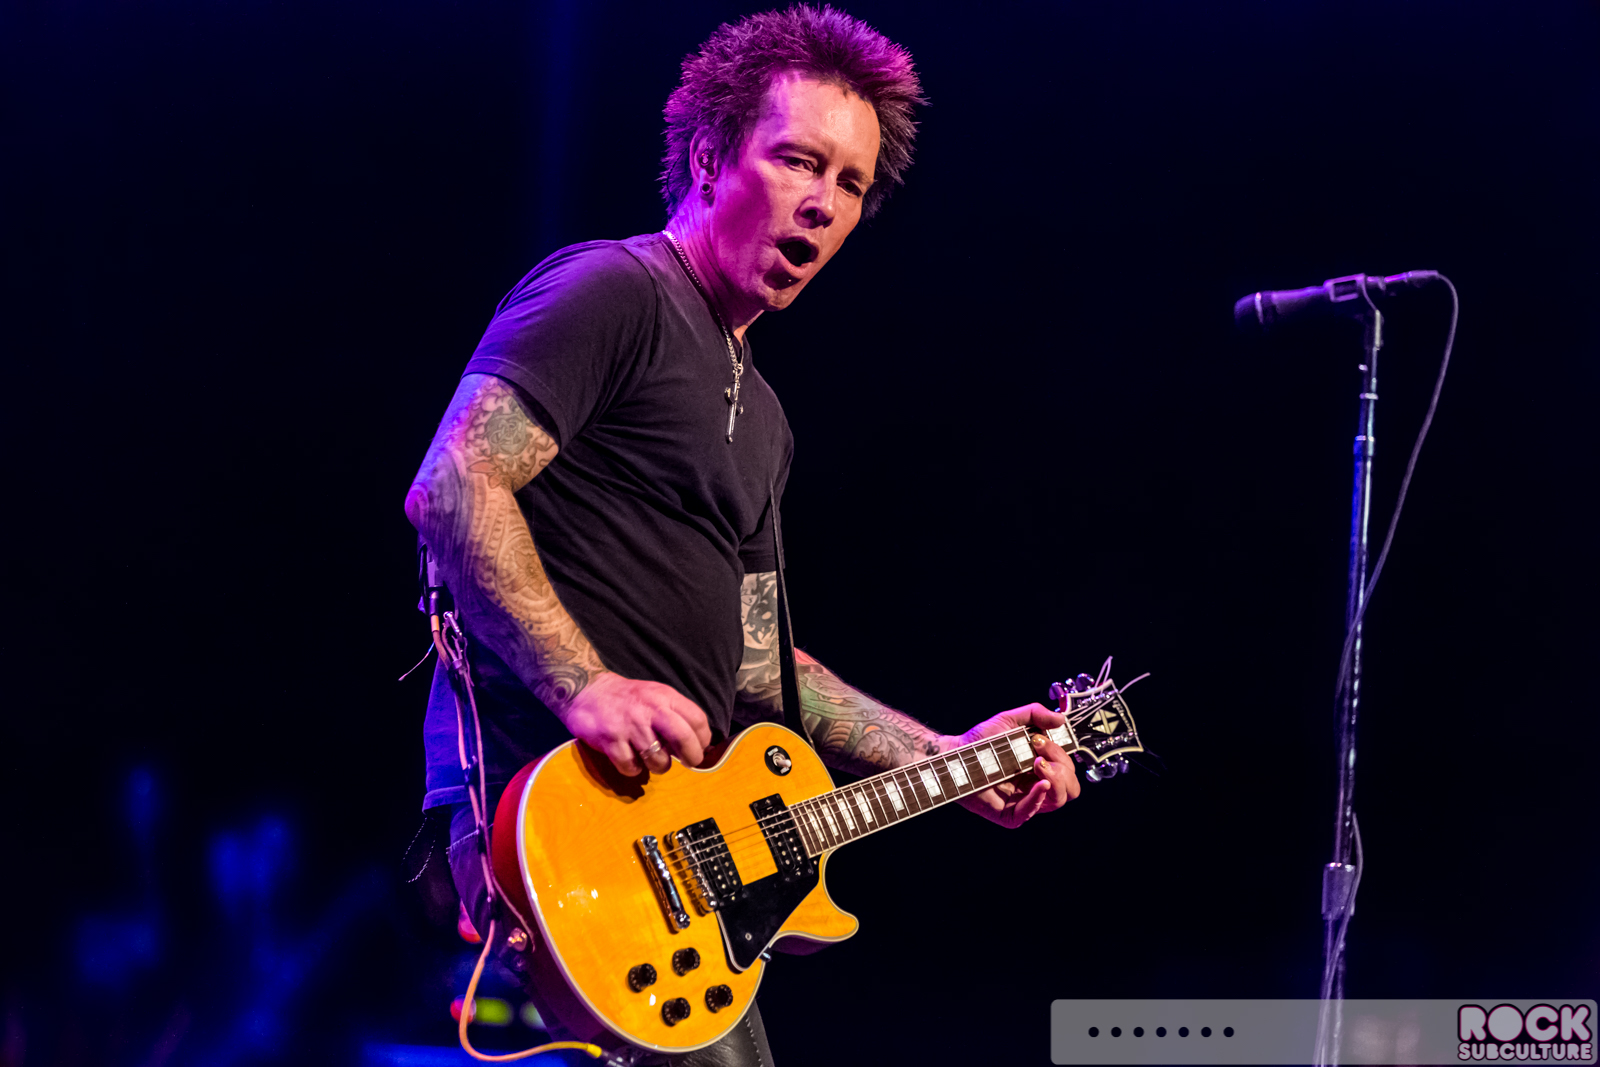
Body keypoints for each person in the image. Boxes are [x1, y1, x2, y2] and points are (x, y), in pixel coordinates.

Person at [404, 7, 1081, 1063]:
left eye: (851, 184)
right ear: (712, 158)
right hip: (552, 816)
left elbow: (763, 672)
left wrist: (948, 757)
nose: (824, 203)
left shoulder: (763, 419)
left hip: (666, 853)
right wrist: (588, 686)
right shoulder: (612, 292)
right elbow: (453, 485)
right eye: (798, 161)